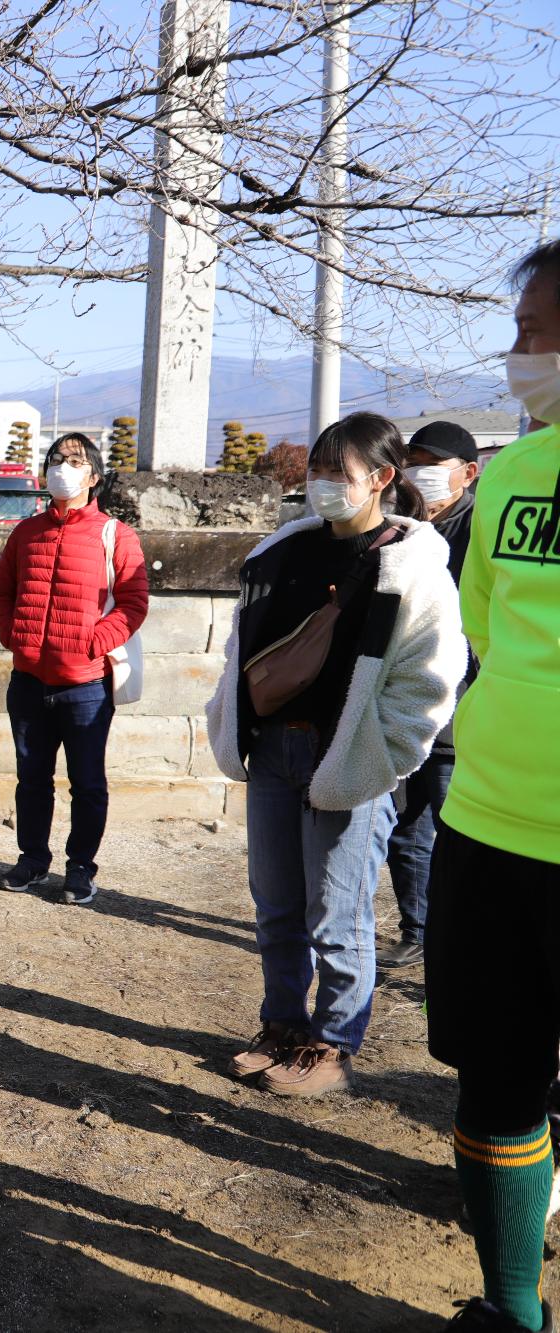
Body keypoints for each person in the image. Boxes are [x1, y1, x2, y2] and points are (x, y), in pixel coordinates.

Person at [206, 412, 461, 1100]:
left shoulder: (407, 565)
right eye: (316, 469)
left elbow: (429, 681)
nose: (321, 483)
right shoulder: (282, 553)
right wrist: (229, 721)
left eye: (336, 472)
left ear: (381, 478)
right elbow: (241, 651)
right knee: (276, 904)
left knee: (339, 915)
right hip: (274, 750)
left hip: (347, 756)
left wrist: (381, 757)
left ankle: (335, 1041)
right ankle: (282, 1025)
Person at [427, 241, 560, 1332]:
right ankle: (510, 1304)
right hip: (488, 826)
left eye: (534, 332)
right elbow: (481, 634)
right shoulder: (512, 475)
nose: (516, 355)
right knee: (494, 1077)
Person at [0, 432, 149, 906]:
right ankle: (33, 859)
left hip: (85, 685)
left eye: (75, 461)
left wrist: (91, 644)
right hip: (28, 680)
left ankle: (80, 867)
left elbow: (134, 604)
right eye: (56, 459)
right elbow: (3, 591)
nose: (63, 467)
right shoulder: (26, 532)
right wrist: (11, 635)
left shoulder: (115, 535)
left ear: (93, 476)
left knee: (88, 782)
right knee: (31, 777)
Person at [378, 420, 482, 970]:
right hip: (403, 706)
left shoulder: (483, 529)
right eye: (411, 461)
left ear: (468, 473)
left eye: (431, 463)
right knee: (405, 829)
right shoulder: (402, 529)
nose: (420, 473)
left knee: (458, 831)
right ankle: (418, 928)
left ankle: (463, 939)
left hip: (461, 707)